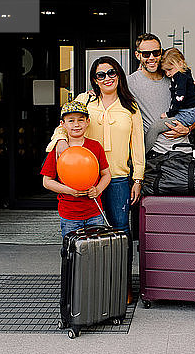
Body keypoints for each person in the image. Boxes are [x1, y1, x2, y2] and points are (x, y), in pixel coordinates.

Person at [47, 57, 144, 304]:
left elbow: (138, 145)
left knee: (121, 232)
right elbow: (66, 122)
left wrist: (138, 178)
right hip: (87, 178)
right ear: (94, 79)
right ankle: (94, 284)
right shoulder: (85, 100)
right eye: (100, 75)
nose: (107, 78)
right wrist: (59, 140)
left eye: (111, 72)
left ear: (119, 74)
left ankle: (123, 284)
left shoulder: (130, 106)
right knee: (93, 235)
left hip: (119, 178)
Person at [40, 101, 111, 238]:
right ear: (63, 124)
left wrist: (98, 189)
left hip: (94, 212)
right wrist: (70, 191)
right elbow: (46, 181)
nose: (76, 124)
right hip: (70, 215)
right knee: (71, 252)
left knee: (95, 250)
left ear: (87, 121)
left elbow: (106, 174)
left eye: (80, 120)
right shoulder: (58, 149)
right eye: (71, 121)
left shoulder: (95, 146)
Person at [127, 33, 192, 160]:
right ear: (137, 55)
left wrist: (189, 128)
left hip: (184, 153)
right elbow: (107, 94)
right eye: (146, 54)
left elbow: (191, 109)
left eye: (156, 53)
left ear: (161, 53)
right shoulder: (129, 83)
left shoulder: (176, 77)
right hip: (154, 157)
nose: (151, 57)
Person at [144, 47, 195, 153]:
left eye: (169, 70)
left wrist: (169, 114)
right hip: (188, 113)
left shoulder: (180, 77)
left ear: (180, 63)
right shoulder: (184, 74)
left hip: (185, 114)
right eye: (165, 71)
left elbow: (179, 98)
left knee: (155, 128)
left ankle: (142, 155)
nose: (167, 74)